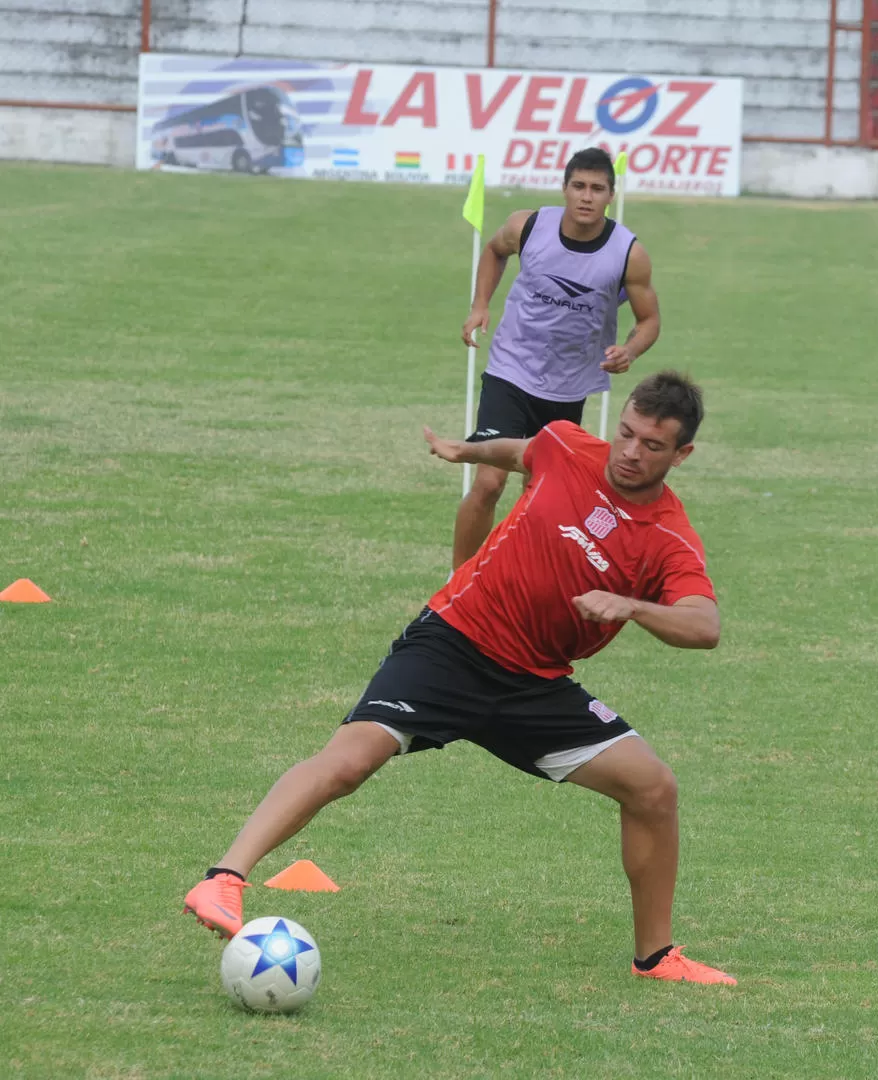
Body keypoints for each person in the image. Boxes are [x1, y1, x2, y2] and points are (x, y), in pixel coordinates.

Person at [183, 370, 736, 986]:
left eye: (652, 446)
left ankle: (656, 959)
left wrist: (634, 606)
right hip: (453, 642)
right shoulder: (567, 445)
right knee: (347, 762)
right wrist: (465, 450)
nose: (630, 453)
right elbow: (520, 450)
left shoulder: (668, 538)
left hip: (534, 683)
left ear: (682, 454)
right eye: (627, 434)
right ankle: (222, 881)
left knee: (653, 787)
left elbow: (704, 624)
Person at [452, 145, 661, 570]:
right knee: (490, 481)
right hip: (510, 370)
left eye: (597, 189)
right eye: (579, 186)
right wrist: (480, 305)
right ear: (564, 189)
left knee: (542, 495)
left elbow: (650, 320)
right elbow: (494, 251)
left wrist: (630, 351)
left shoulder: (627, 253)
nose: (587, 196)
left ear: (610, 195)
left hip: (568, 385)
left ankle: (520, 579)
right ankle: (456, 583)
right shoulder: (528, 227)